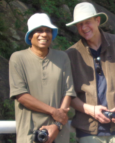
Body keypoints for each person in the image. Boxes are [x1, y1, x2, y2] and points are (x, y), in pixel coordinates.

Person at [65, 2, 115, 142]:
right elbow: (68, 94)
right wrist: (89, 109)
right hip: (88, 129)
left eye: (88, 22)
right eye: (80, 24)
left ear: (97, 20)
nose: (84, 27)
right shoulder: (71, 54)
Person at [9, 13, 75, 143]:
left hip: (58, 135)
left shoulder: (62, 58)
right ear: (30, 35)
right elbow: (21, 95)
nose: (44, 34)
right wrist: (54, 112)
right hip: (29, 134)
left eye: (48, 31)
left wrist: (57, 125)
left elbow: (68, 92)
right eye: (39, 30)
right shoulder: (18, 58)